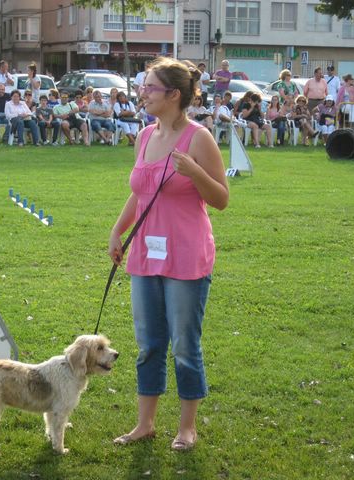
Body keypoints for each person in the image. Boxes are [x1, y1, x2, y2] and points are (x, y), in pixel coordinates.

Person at [108, 56, 228, 452]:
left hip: (186, 255)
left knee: (183, 345)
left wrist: (195, 172)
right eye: (143, 86)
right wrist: (118, 230)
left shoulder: (198, 138)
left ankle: (187, 427)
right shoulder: (144, 136)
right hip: (145, 253)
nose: (142, 93)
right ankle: (145, 424)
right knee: (148, 343)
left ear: (174, 95)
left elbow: (221, 199)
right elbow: (139, 191)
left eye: (150, 87)